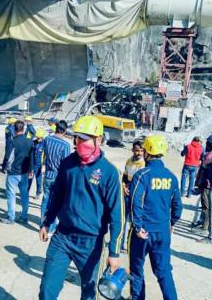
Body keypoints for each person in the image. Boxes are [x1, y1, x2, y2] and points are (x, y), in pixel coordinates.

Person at [39, 116, 124, 300]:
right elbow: (57, 195)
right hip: (62, 237)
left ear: (99, 140)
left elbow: (118, 215)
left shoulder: (109, 172)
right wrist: (47, 222)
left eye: (85, 139)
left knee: (89, 293)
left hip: (91, 243)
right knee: (47, 289)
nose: (80, 143)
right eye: (78, 138)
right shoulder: (67, 163)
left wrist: (114, 252)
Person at [129, 135, 182, 300]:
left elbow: (134, 203)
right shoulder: (171, 177)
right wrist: (172, 223)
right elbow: (178, 206)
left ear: (146, 152)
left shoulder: (142, 175)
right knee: (164, 271)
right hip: (162, 231)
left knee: (137, 270)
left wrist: (137, 227)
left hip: (143, 232)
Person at [40, 120, 71, 234]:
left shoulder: (47, 139)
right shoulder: (65, 145)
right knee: (56, 202)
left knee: (45, 199)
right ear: (65, 131)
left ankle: (42, 224)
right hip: (58, 177)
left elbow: (43, 154)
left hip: (48, 174)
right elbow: (66, 165)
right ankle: (51, 226)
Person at [3, 121, 33, 225]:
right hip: (24, 173)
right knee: (24, 195)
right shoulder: (30, 142)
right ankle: (24, 216)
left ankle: (11, 217)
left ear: (14, 130)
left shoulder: (13, 142)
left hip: (13, 173)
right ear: (24, 129)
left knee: (11, 195)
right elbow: (32, 158)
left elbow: (7, 157)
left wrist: (4, 168)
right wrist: (31, 170)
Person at [120, 140, 145, 252]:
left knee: (135, 219)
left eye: (141, 151)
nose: (139, 153)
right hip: (127, 190)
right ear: (132, 150)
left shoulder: (144, 163)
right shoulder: (129, 161)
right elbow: (125, 176)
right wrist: (124, 187)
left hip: (139, 193)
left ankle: (132, 243)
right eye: (137, 150)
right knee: (124, 218)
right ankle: (122, 243)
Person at [192, 135, 212, 230]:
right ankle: (203, 221)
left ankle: (205, 226)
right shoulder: (210, 154)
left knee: (206, 206)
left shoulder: (211, 156)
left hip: (207, 185)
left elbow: (205, 172)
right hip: (206, 184)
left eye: (208, 144)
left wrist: (200, 184)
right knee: (204, 205)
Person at [29, 128, 46, 199]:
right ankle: (26, 191)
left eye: (40, 138)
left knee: (38, 180)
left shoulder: (45, 144)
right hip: (32, 163)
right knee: (29, 178)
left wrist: (44, 165)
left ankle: (38, 192)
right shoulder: (33, 142)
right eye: (38, 138)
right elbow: (30, 154)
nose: (39, 140)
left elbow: (46, 155)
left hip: (39, 165)